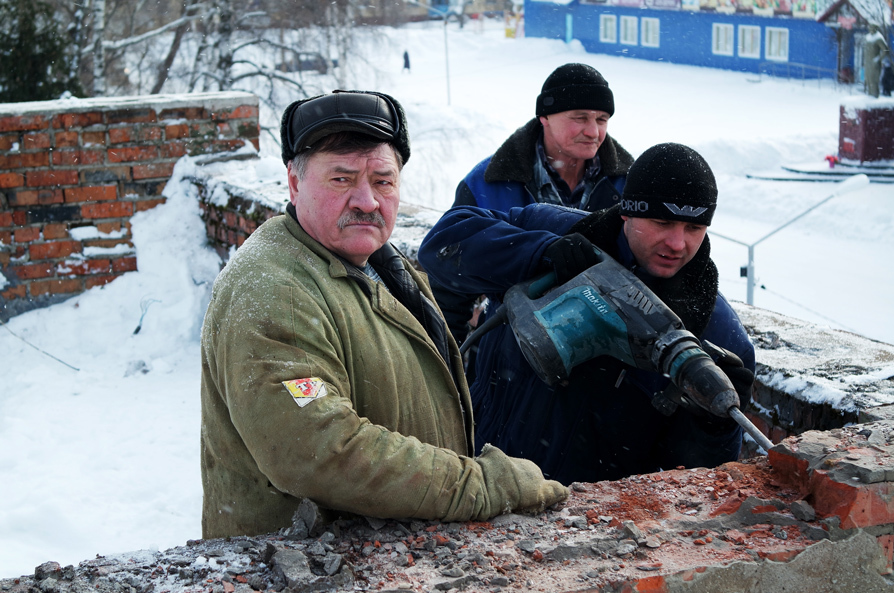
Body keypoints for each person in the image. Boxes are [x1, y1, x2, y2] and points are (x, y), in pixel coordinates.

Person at [200, 90, 567, 539]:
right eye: (341, 179)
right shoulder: (275, 288)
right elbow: (317, 450)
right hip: (310, 577)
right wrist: (482, 485)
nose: (367, 201)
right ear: (294, 185)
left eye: (383, 181)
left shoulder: (374, 263)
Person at [418, 143, 756, 486]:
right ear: (627, 211)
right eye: (662, 222)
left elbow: (701, 484)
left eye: (694, 228)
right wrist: (536, 252)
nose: (677, 243)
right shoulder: (555, 231)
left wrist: (715, 426)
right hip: (473, 468)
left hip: (579, 518)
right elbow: (441, 246)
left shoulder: (717, 334)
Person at [436, 63, 634, 354]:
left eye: (602, 119)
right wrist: (452, 361)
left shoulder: (629, 187)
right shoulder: (487, 183)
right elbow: (450, 276)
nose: (593, 131)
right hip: (507, 355)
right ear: (544, 117)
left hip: (605, 357)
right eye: (580, 117)